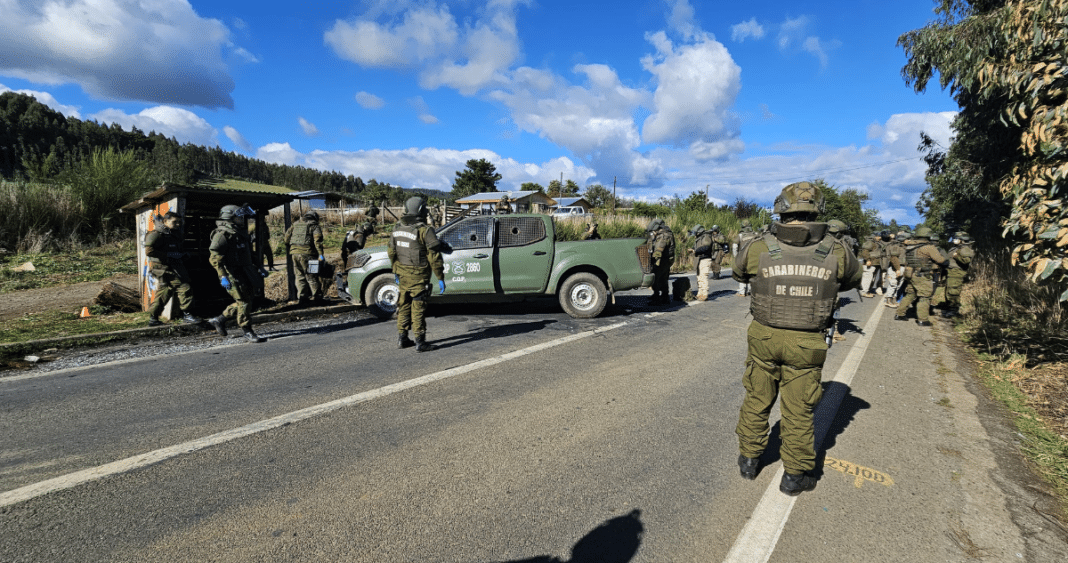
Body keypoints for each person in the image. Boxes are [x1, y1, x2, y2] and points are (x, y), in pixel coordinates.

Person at [732, 181, 862, 496]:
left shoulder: (761, 245)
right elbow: (852, 280)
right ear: (817, 209)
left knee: (757, 398)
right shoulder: (836, 247)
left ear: (782, 207)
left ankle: (749, 460)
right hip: (807, 342)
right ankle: (793, 476)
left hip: (765, 336)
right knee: (799, 409)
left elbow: (739, 273)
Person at [388, 196, 446, 352]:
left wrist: (395, 270)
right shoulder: (425, 231)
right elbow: (434, 257)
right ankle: (420, 341)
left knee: (403, 305)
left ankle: (402, 338)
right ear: (421, 210)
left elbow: (391, 252)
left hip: (402, 273)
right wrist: (440, 277)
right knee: (418, 307)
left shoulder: (396, 228)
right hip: (419, 276)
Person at [207, 204, 269, 343]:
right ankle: (247, 330)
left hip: (246, 271)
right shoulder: (222, 235)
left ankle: (219, 319)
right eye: (239, 217)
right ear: (230, 218)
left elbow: (249, 254)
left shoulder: (240, 232)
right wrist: (223, 276)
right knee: (244, 301)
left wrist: (260, 267)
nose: (242, 219)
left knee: (246, 300)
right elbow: (215, 258)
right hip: (233, 273)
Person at [144, 212, 202, 326]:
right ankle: (187, 315)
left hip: (173, 267)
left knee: (164, 293)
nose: (177, 224)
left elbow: (175, 248)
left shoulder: (173, 234)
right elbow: (149, 251)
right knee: (185, 288)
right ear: (165, 222)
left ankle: (153, 318)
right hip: (165, 268)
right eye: (174, 222)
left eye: (179, 222)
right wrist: (168, 255)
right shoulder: (156, 234)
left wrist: (182, 255)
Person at [894, 226, 947, 326]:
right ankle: (923, 319)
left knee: (910, 294)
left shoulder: (909, 246)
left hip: (910, 273)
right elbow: (940, 260)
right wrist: (946, 262)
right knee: (925, 296)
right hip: (922, 275)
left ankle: (899, 314)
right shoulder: (929, 247)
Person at [285, 209, 326, 305]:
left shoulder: (295, 224)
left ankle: (302, 298)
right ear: (315, 217)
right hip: (309, 254)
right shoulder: (314, 225)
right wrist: (321, 255)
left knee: (300, 277)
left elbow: (286, 238)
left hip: (294, 254)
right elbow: (318, 241)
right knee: (312, 276)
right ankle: (317, 297)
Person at [940, 231, 975, 318]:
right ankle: (949, 308)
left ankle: (953, 310)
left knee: (953, 292)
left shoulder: (965, 249)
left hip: (957, 273)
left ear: (962, 240)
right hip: (951, 272)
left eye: (957, 239)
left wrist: (956, 257)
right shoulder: (956, 248)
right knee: (948, 291)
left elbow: (966, 261)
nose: (954, 240)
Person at [646, 218, 675, 305]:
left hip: (662, 260)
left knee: (657, 278)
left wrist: (653, 260)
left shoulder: (663, 236)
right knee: (664, 279)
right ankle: (663, 297)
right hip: (666, 259)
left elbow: (659, 250)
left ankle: (658, 298)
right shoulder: (666, 233)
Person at [733, 219, 758, 296]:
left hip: (743, 257)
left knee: (742, 274)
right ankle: (750, 290)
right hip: (754, 257)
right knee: (751, 273)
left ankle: (742, 292)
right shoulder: (756, 234)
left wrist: (736, 256)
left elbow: (734, 246)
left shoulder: (740, 236)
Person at [691, 224, 713, 301]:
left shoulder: (706, 236)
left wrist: (696, 251)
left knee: (703, 277)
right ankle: (700, 293)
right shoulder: (700, 237)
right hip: (699, 259)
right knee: (699, 277)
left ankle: (705, 294)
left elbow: (706, 247)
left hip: (705, 258)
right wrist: (692, 249)